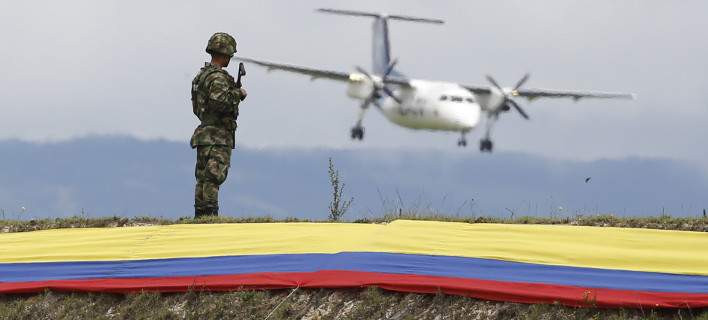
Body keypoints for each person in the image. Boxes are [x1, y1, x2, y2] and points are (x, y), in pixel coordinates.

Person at [190, 32, 247, 218]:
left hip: (204, 134)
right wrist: (238, 94)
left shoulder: (201, 76)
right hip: (218, 136)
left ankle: (200, 216)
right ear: (225, 53)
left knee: (203, 178)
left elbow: (198, 106)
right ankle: (210, 217)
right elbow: (219, 102)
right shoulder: (218, 78)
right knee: (213, 177)